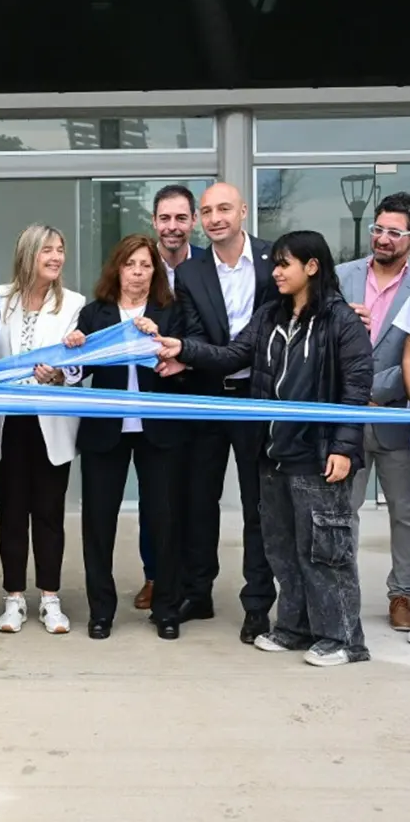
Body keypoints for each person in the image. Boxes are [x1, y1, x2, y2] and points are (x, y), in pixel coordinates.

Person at [157, 230, 374, 667]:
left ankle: (344, 638)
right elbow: (233, 353)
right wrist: (185, 349)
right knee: (282, 547)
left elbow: (356, 389)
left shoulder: (341, 321)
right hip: (272, 452)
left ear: (311, 267)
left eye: (283, 264)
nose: (274, 272)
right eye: (274, 263)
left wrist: (344, 448)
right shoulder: (270, 315)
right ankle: (294, 628)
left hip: (317, 454)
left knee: (324, 550)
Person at [173, 182, 277, 644]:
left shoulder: (276, 261)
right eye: (208, 211)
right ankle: (198, 592)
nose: (215, 218)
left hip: (260, 398)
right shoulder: (190, 272)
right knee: (199, 501)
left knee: (259, 505)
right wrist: (196, 354)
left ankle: (257, 603)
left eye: (224, 209)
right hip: (208, 397)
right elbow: (196, 334)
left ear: (244, 212)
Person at [71, 235, 186, 641]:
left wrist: (157, 341)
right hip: (105, 431)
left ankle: (166, 609)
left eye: (146, 265)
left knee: (164, 521)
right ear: (116, 268)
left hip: (160, 430)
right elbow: (74, 374)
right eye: (130, 264)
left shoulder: (171, 312)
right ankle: (101, 611)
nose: (138, 272)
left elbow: (186, 364)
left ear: (155, 271)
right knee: (98, 523)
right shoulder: (94, 313)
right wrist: (74, 351)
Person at [0, 224, 85, 634]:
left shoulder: (74, 304)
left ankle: (49, 599)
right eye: (48, 250)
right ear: (28, 254)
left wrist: (62, 373)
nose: (57, 257)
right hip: (7, 421)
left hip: (51, 423)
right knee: (11, 513)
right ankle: (12, 599)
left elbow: (83, 362)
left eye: (60, 250)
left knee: (48, 513)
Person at [337, 192, 410, 632]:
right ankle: (342, 592)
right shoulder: (342, 278)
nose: (382, 238)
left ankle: (402, 593)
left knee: (405, 512)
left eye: (394, 232)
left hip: (397, 417)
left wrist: (375, 392)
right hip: (345, 418)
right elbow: (319, 334)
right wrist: (341, 318)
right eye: (378, 229)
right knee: (343, 511)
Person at [132, 184, 204, 611]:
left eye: (181, 218)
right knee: (154, 496)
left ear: (192, 221)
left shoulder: (206, 269)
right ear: (154, 222)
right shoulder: (140, 266)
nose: (172, 227)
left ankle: (194, 583)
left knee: (195, 495)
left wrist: (189, 361)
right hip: (151, 398)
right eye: (164, 218)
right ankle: (155, 576)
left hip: (201, 389)